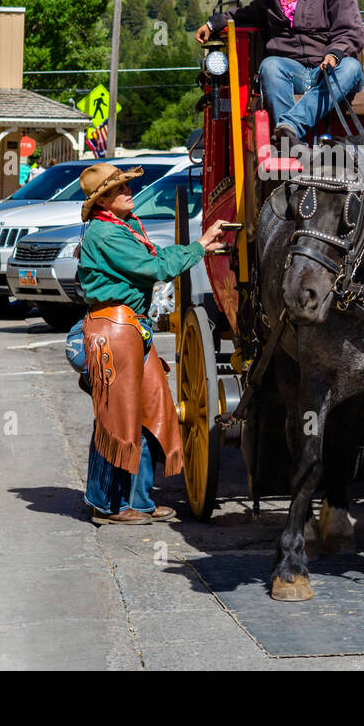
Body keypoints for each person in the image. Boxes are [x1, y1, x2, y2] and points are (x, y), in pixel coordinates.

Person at [76, 162, 228, 524]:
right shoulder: (106, 233)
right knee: (116, 420)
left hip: (130, 327)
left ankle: (139, 501)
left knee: (146, 415)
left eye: (126, 187)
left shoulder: (121, 226)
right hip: (115, 329)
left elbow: (154, 263)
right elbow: (154, 268)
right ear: (103, 202)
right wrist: (199, 247)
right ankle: (107, 505)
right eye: (120, 190)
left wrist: (197, 248)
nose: (129, 192)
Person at [194, 0, 364, 147]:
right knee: (270, 66)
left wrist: (334, 54)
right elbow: (248, 14)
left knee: (351, 67)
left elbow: (350, 32)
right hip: (292, 72)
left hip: (328, 71)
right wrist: (213, 23)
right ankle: (293, 144)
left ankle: (289, 127)